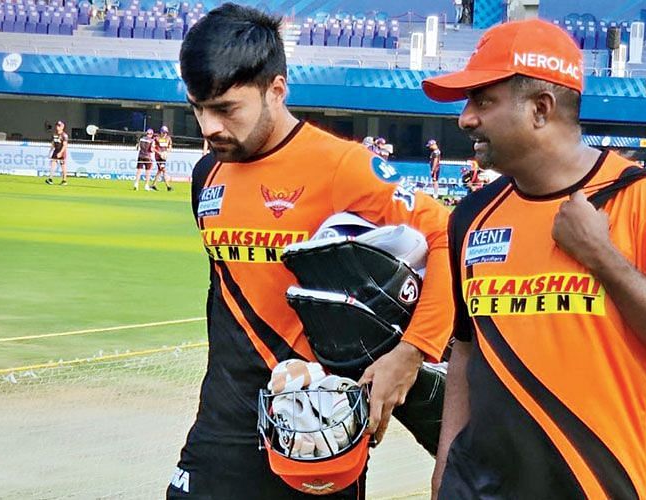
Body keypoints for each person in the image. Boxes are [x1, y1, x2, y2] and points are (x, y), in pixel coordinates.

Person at [421, 19, 646, 500]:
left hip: (593, 486)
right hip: (474, 488)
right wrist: (443, 475)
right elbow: (465, 348)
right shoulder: (471, 217)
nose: (465, 119)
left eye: (483, 101)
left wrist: (601, 256)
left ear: (541, 108)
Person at [171, 4, 453, 498]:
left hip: (316, 423)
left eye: (226, 109)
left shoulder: (343, 166)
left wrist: (412, 353)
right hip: (223, 423)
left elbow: (447, 238)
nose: (208, 126)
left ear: (276, 90)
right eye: (198, 107)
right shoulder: (205, 177)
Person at [150, 125, 174, 191]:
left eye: (166, 132)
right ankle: (168, 186)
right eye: (163, 132)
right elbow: (152, 148)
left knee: (160, 171)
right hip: (158, 157)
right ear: (161, 132)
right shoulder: (156, 138)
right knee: (163, 170)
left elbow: (170, 147)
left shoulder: (168, 139)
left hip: (164, 157)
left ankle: (153, 185)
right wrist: (159, 153)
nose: (165, 134)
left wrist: (166, 152)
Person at [45, 120, 68, 185]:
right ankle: (50, 179)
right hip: (56, 151)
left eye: (59, 126)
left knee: (63, 165)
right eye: (57, 125)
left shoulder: (64, 135)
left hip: (62, 152)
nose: (57, 127)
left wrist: (61, 152)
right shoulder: (54, 134)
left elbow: (65, 145)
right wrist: (50, 151)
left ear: (62, 127)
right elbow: (53, 144)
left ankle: (64, 180)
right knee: (53, 164)